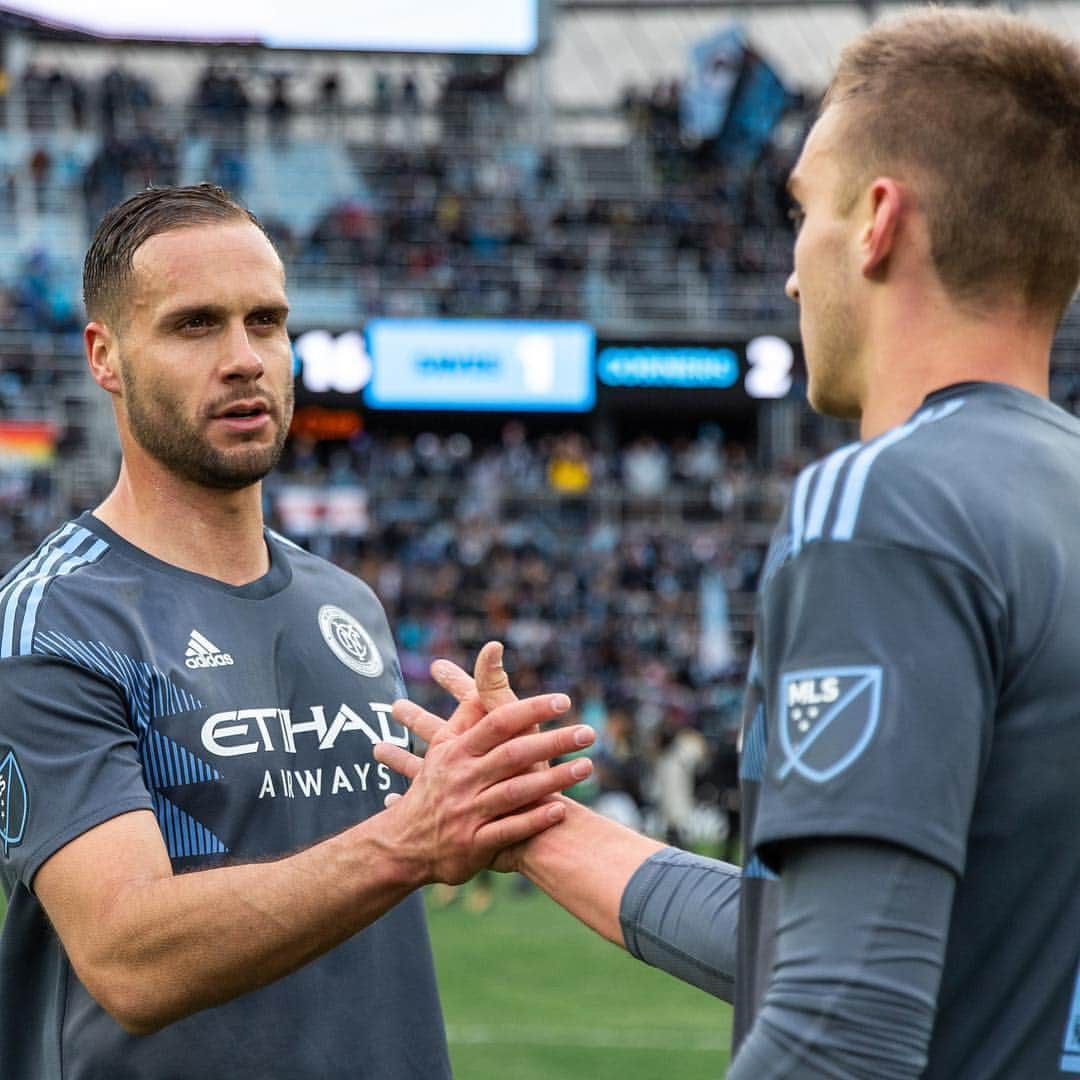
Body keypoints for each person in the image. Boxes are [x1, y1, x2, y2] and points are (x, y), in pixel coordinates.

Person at [378, 8, 1080, 1077]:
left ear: (879, 221)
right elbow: (817, 937)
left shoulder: (887, 503)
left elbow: (841, 1024)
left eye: (803, 212)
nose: (795, 275)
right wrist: (538, 826)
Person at [0, 183, 596, 1079]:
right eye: (195, 325)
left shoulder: (346, 601)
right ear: (106, 356)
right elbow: (126, 954)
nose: (245, 358)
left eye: (267, 322)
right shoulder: (57, 617)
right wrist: (409, 841)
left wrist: (479, 791)